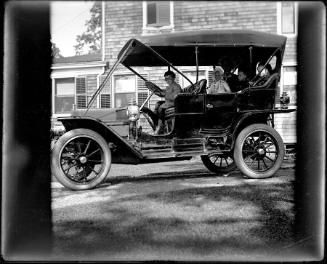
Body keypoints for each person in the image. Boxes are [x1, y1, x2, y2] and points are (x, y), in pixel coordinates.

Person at [154, 70, 182, 134]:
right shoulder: (169, 87)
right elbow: (166, 94)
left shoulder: (176, 86)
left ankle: (159, 126)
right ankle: (157, 122)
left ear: (173, 78)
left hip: (174, 103)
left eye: (169, 78)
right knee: (157, 104)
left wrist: (165, 94)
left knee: (162, 108)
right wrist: (159, 93)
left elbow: (175, 97)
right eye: (166, 79)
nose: (167, 80)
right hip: (168, 102)